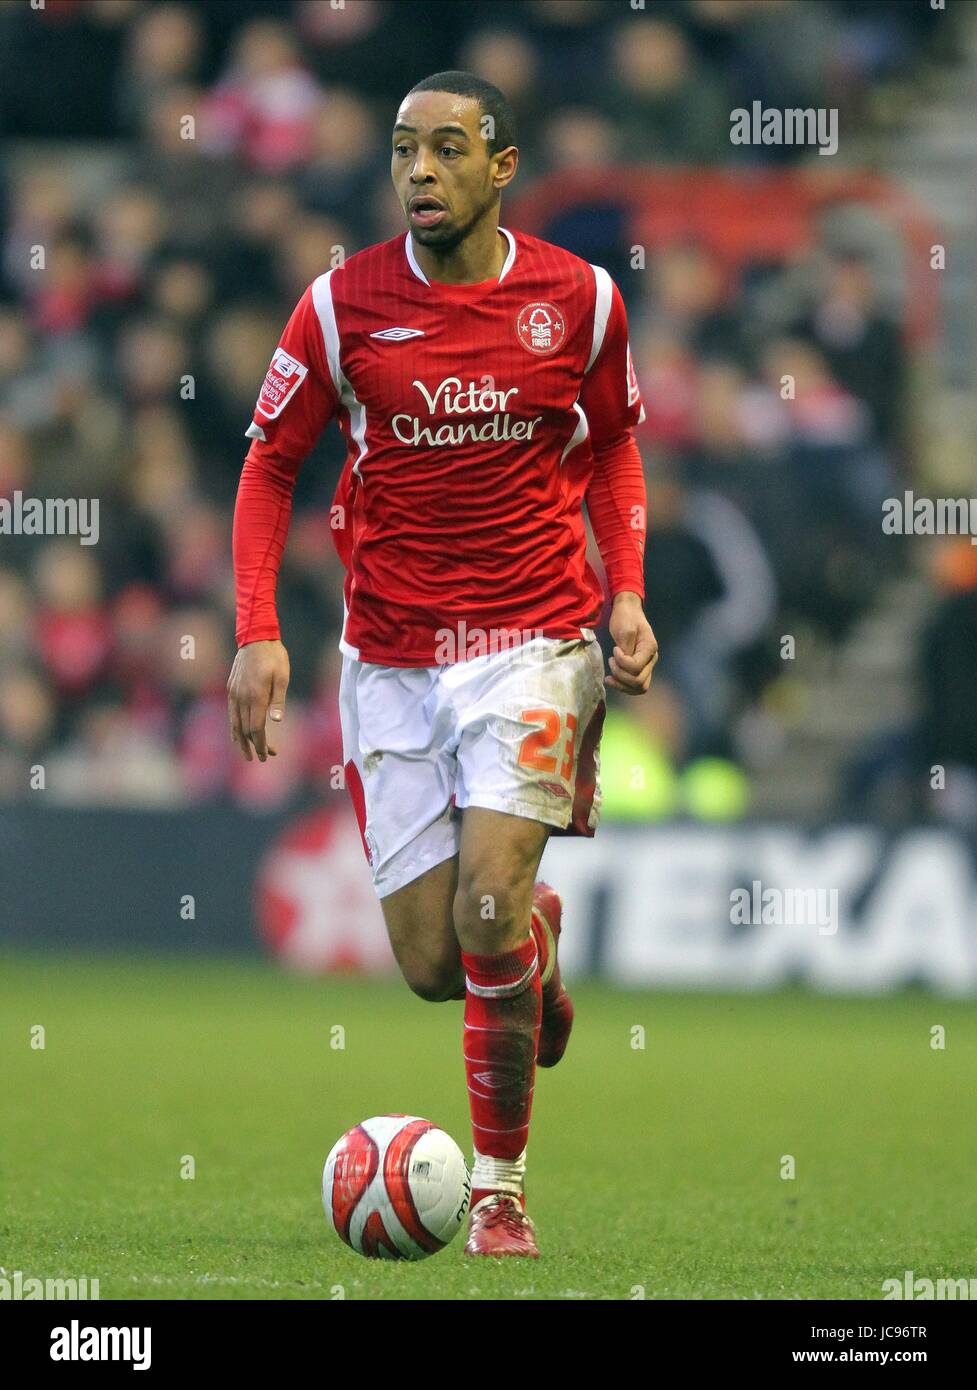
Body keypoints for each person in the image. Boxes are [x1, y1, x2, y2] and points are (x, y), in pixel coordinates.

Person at [228, 71, 657, 1257]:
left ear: (502, 166)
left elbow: (616, 447)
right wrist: (255, 626)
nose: (420, 170)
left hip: (534, 640)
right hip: (391, 660)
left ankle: (499, 1190)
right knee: (433, 963)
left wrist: (625, 590)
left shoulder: (579, 299)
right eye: (405, 149)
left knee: (479, 910)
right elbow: (269, 468)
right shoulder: (336, 305)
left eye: (448, 149)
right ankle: (534, 950)